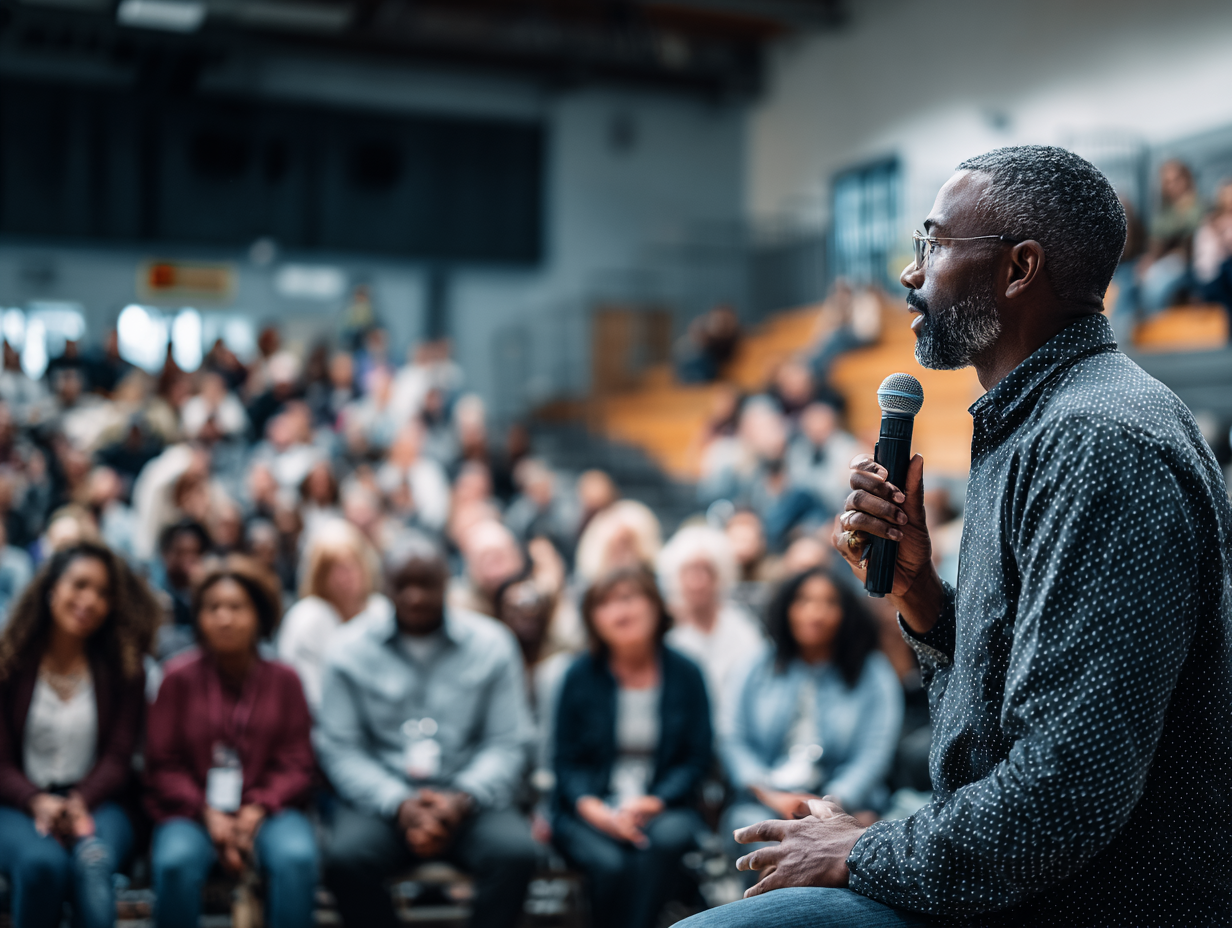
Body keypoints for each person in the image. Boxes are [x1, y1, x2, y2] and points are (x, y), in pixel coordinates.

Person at [681, 146, 1232, 927]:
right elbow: (1002, 722)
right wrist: (922, 596)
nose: (910, 274)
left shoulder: (1096, 441)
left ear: (1019, 268)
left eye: (933, 244)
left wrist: (863, 849)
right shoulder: (1042, 420)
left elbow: (1064, 793)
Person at [317, 536, 539, 928]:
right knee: (346, 860)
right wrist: (399, 803)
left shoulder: (492, 645)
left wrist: (460, 799)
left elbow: (507, 742)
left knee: (516, 854)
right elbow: (341, 748)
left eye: (426, 584)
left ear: (447, 582)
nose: (415, 596)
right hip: (382, 799)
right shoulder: (347, 650)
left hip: (469, 796)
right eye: (402, 585)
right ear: (384, 585)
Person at [145, 555, 318, 928]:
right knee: (175, 862)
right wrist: (207, 812)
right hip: (191, 810)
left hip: (271, 809)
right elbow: (162, 764)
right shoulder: (176, 679)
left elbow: (298, 761)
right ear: (198, 617)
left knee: (296, 858)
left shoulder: (285, 680)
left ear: (259, 615)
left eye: (237, 607)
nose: (225, 618)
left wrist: (257, 808)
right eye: (213, 608)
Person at [0, 543, 160, 928]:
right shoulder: (10, 662)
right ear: (51, 587)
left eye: (103, 593)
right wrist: (36, 801)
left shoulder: (125, 667)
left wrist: (79, 802)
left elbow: (119, 756)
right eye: (80, 585)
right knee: (42, 865)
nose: (90, 600)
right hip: (17, 801)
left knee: (93, 860)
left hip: (101, 800)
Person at [719, 568, 902, 885]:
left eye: (829, 603)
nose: (815, 613)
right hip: (765, 803)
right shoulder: (755, 666)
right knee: (757, 834)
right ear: (786, 608)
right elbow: (732, 739)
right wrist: (769, 793)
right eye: (803, 601)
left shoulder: (873, 673)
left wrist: (827, 804)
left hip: (844, 810)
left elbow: (873, 754)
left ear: (845, 613)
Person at [552, 566, 712, 928]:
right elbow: (566, 761)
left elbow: (696, 758)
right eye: (605, 604)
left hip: (663, 804)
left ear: (655, 605)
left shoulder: (687, 673)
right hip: (590, 806)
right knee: (610, 864)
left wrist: (654, 801)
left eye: (628, 598)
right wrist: (595, 810)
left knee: (663, 842)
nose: (619, 612)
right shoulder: (578, 675)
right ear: (592, 619)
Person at [277, 519, 390, 714]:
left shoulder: (380, 611)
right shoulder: (308, 617)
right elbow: (305, 691)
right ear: (320, 575)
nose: (347, 576)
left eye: (352, 565)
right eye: (336, 568)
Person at [656, 524, 765, 721]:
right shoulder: (667, 634)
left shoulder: (744, 630)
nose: (698, 582)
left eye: (706, 570)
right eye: (689, 571)